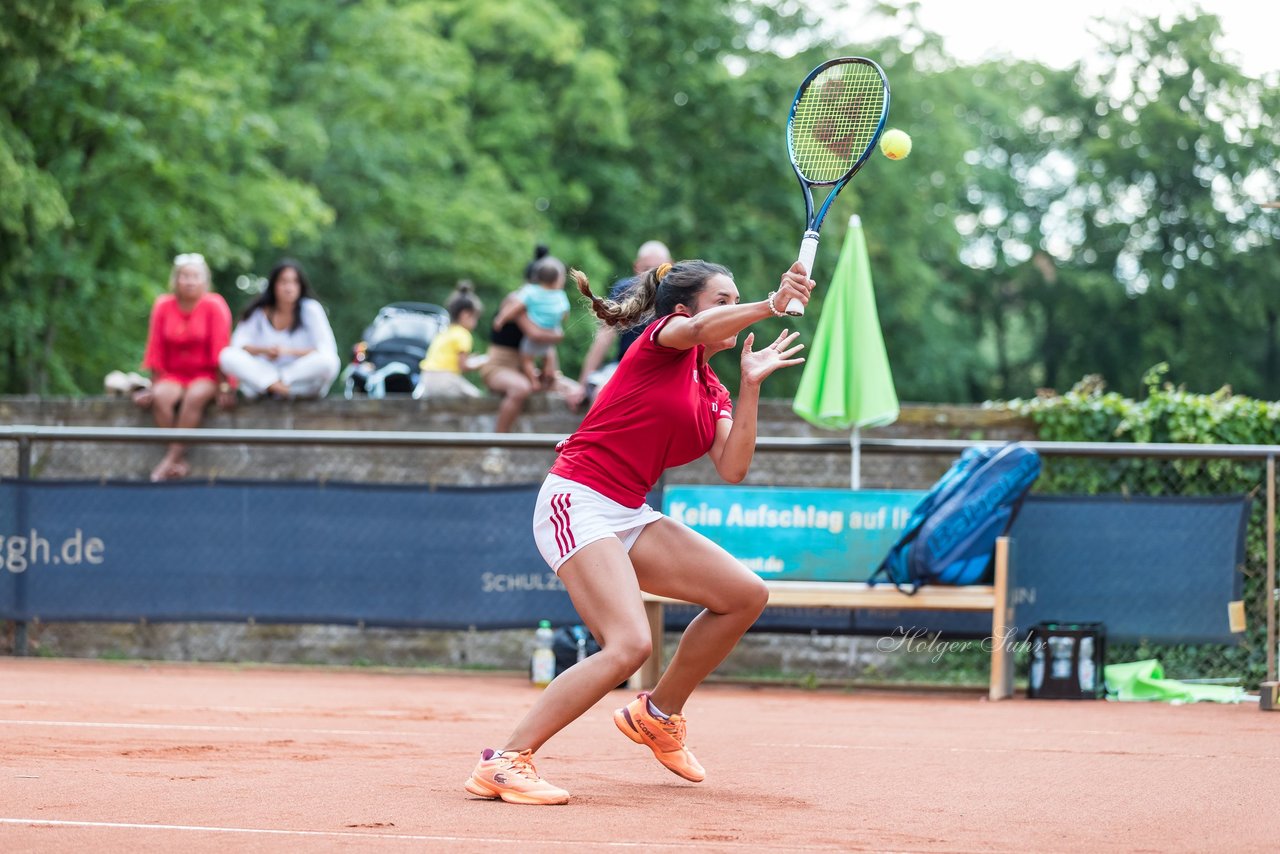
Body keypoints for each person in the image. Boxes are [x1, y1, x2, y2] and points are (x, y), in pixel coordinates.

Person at [463, 258, 812, 805]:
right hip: (577, 500)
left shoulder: (712, 387)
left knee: (745, 594)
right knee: (629, 645)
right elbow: (697, 332)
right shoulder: (662, 338)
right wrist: (771, 302)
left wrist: (750, 386)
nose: (732, 311)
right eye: (723, 301)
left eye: (736, 301)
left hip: (627, 512)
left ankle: (657, 714)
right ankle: (505, 761)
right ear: (683, 310)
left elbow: (733, 467)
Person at [132, 252, 237, 482]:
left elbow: (222, 348)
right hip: (173, 373)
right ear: (176, 279)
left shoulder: (214, 305)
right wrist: (153, 384)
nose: (189, 281)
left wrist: (225, 387)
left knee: (194, 398)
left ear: (204, 280)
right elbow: (156, 348)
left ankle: (168, 461)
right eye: (185, 276)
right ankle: (178, 460)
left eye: (195, 276)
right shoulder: (163, 305)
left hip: (206, 374)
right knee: (161, 397)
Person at [479, 247, 581, 433]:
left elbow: (548, 339)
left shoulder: (545, 304)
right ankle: (496, 444)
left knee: (576, 390)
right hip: (499, 366)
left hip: (527, 367)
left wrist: (552, 369)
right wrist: (558, 336)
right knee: (521, 388)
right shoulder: (517, 301)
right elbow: (536, 334)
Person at [567, 240, 672, 409]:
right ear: (637, 267)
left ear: (669, 267)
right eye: (646, 269)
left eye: (657, 269)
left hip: (662, 369)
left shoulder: (676, 296)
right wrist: (582, 383)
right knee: (602, 392)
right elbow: (604, 337)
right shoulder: (624, 289)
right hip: (625, 365)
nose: (652, 276)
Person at [218, 259, 341, 400]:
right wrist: (265, 351)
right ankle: (274, 386)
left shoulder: (311, 309)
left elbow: (326, 349)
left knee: (330, 362)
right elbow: (238, 345)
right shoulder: (258, 312)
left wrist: (288, 352)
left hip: (298, 380)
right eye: (284, 282)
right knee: (227, 355)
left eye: (294, 282)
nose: (289, 288)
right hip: (264, 372)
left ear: (301, 286)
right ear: (274, 285)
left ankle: (277, 384)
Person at [492, 255, 570, 390]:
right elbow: (539, 333)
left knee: (527, 358)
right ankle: (543, 375)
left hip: (534, 344)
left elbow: (516, 310)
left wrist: (500, 319)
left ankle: (537, 379)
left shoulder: (530, 294)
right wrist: (557, 333)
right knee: (545, 356)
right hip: (508, 362)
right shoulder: (560, 295)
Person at [415, 280, 487, 399]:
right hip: (445, 380)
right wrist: (483, 361)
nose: (476, 323)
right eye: (475, 318)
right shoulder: (463, 334)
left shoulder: (444, 332)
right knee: (478, 398)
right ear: (465, 315)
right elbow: (464, 366)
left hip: (426, 380)